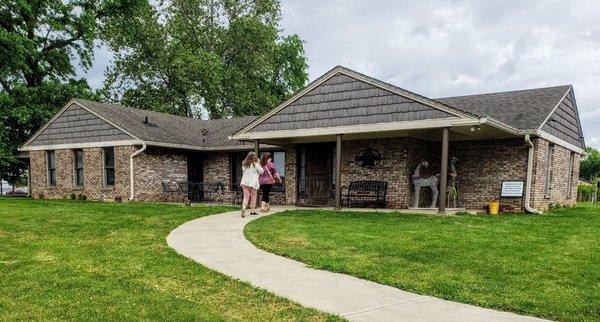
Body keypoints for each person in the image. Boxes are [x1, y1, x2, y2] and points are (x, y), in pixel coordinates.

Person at [240, 151, 263, 217]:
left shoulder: (243, 163)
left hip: (245, 182)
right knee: (253, 197)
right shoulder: (255, 164)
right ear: (254, 157)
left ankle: (244, 207)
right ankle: (252, 211)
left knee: (246, 196)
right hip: (253, 183)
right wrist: (258, 163)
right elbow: (262, 171)